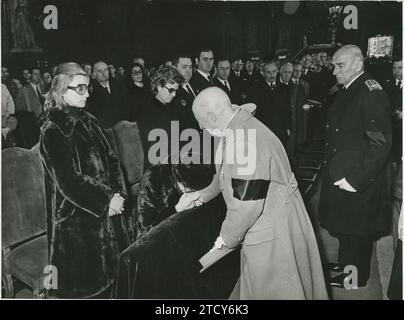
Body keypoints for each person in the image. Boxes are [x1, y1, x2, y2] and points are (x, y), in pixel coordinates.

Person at [175, 87, 328, 299]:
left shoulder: (243, 142)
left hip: (272, 231)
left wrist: (224, 240)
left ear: (211, 116)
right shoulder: (236, 123)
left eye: (200, 121)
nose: (200, 127)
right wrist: (199, 196)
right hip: (276, 218)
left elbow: (246, 205)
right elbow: (225, 176)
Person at [39, 62, 131, 298]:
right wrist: (107, 199)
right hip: (78, 222)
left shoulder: (89, 120)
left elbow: (113, 160)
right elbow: (69, 182)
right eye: (80, 88)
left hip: (109, 214)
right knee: (91, 290)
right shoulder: (53, 129)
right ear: (61, 91)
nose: (88, 93)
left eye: (87, 87)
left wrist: (119, 196)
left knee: (117, 283)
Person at [318, 45, 392, 289]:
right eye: (334, 66)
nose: (334, 71)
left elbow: (380, 144)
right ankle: (344, 266)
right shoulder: (351, 87)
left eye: (340, 66)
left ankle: (354, 278)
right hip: (344, 171)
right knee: (346, 227)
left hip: (358, 177)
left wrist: (356, 180)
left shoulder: (370, 92)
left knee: (357, 230)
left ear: (358, 65)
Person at [137, 66, 184, 169]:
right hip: (157, 167)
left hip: (174, 162)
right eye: (171, 90)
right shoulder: (146, 112)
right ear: (159, 86)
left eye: (176, 90)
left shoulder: (173, 109)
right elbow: (154, 150)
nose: (174, 94)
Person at [87, 61, 128, 129]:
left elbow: (126, 108)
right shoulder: (92, 93)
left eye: (105, 70)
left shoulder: (120, 86)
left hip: (123, 128)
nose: (104, 73)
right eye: (100, 71)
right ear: (94, 75)